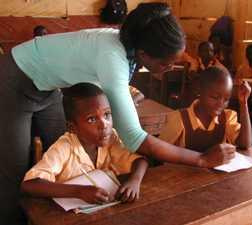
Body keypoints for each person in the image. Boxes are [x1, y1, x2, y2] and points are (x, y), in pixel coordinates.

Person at [0, 3, 234, 224]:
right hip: (15, 80)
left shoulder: (126, 46)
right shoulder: (113, 58)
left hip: (47, 86)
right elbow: (136, 139)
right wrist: (201, 160)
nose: (170, 68)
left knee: (70, 154)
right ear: (144, 53)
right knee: (14, 172)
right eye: (166, 63)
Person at [21, 83, 148, 203]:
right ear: (72, 127)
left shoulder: (111, 138)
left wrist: (134, 181)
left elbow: (140, 161)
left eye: (107, 114)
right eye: (92, 119)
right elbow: (30, 184)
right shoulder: (64, 148)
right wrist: (79, 191)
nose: (104, 125)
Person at [160, 67, 252, 151]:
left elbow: (245, 144)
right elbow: (158, 152)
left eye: (226, 99)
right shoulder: (180, 119)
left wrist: (243, 103)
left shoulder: (226, 118)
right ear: (198, 90)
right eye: (215, 97)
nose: (220, 104)